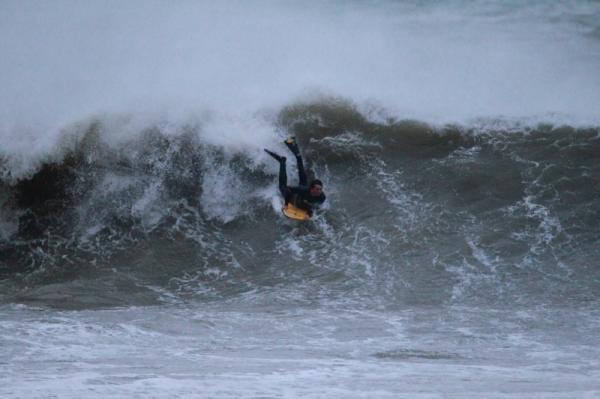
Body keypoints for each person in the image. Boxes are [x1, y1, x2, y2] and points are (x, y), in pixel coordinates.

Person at [264, 137, 326, 217]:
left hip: (302, 195)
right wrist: (286, 204)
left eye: (320, 189)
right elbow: (289, 189)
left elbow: (315, 206)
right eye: (317, 189)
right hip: (294, 197)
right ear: (312, 189)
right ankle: (282, 161)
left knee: (302, 174)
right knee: (282, 186)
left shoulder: (322, 197)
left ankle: (298, 156)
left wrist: (309, 211)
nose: (319, 191)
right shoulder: (303, 190)